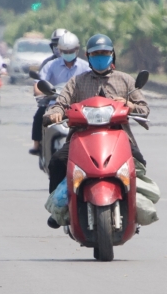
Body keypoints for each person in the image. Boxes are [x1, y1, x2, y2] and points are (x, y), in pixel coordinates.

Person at [43, 34, 150, 228]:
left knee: (138, 161)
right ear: (88, 56)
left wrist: (129, 105)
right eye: (95, 54)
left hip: (118, 136)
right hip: (81, 136)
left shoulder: (125, 81)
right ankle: (59, 210)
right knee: (58, 162)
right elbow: (60, 104)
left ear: (112, 55)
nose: (100, 57)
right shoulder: (77, 82)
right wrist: (56, 114)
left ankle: (136, 205)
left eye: (104, 53)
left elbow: (144, 108)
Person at [29, 31, 90, 155]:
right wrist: (41, 91)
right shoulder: (50, 65)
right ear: (59, 50)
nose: (68, 54)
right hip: (54, 104)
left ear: (77, 49)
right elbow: (39, 84)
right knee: (40, 116)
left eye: (71, 51)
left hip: (79, 107)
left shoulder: (86, 67)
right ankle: (39, 145)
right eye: (65, 51)